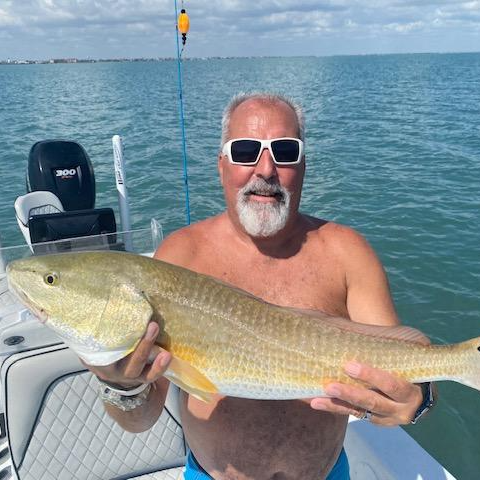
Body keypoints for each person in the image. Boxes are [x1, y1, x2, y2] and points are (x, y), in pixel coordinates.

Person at [86, 92, 431, 480]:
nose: (265, 168)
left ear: (303, 165)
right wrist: (122, 388)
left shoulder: (348, 253)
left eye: (285, 151)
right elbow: (140, 420)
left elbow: (407, 365)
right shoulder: (180, 256)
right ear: (221, 165)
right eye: (246, 150)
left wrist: (419, 401)